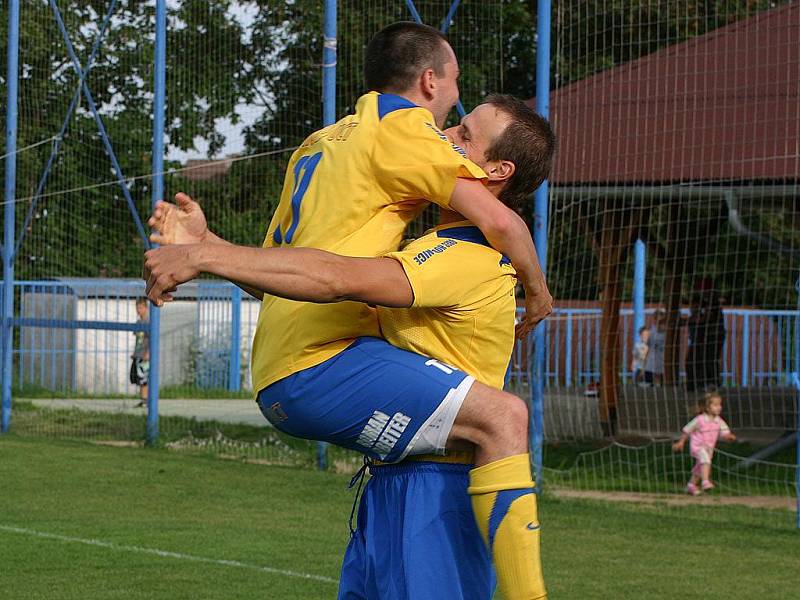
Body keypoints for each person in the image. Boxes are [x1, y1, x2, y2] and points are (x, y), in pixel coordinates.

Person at [145, 93, 555, 600]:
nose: (444, 136)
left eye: (464, 135)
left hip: (435, 491)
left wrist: (208, 256)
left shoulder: (465, 256)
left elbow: (333, 276)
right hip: (390, 481)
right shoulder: (424, 250)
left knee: (504, 414)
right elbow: (312, 292)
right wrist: (212, 247)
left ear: (496, 171)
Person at [672, 391, 736, 495]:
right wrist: (681, 442)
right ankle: (705, 482)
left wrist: (729, 437)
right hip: (697, 447)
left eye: (719, 405)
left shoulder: (719, 421)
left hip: (709, 449)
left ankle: (691, 485)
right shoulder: (700, 420)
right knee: (705, 461)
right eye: (715, 405)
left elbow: (724, 432)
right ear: (707, 407)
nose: (719, 407)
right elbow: (687, 430)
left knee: (700, 468)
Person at [685, 279, 726, 391]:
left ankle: (712, 382)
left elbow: (707, 317)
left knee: (710, 358)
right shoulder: (706, 301)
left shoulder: (712, 301)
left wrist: (694, 320)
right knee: (701, 358)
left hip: (714, 334)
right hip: (707, 335)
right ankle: (701, 383)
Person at [129, 297, 149, 408]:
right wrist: (134, 353)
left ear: (146, 308)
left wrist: (148, 353)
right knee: (137, 378)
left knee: (144, 379)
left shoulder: (148, 321)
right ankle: (143, 400)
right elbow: (138, 340)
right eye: (137, 308)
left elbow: (152, 338)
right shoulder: (138, 322)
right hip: (138, 354)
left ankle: (145, 401)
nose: (138, 310)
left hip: (145, 355)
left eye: (140, 307)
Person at [643, 309, 666, 386]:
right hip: (651, 363)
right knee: (649, 382)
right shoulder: (652, 331)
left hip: (663, 362)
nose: (658, 320)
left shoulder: (669, 332)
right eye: (656, 317)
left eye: (660, 317)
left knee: (663, 384)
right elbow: (648, 346)